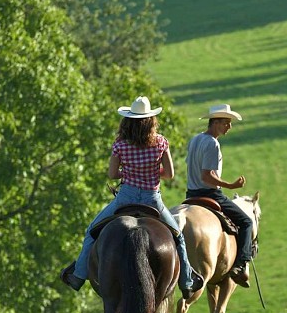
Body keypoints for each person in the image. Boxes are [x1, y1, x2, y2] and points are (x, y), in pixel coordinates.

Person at [60, 96, 204, 298]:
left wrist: (127, 172)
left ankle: (78, 275)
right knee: (178, 237)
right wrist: (153, 171)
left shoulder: (120, 145)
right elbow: (169, 174)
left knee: (91, 231)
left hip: (125, 198)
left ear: (127, 121)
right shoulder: (161, 142)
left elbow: (112, 174)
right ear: (151, 120)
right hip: (152, 199)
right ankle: (187, 280)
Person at [185, 104, 254, 287]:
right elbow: (207, 176)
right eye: (226, 123)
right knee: (246, 222)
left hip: (191, 193)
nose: (229, 127)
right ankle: (240, 265)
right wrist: (230, 185)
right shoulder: (212, 143)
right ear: (215, 122)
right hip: (210, 194)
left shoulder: (195, 139)